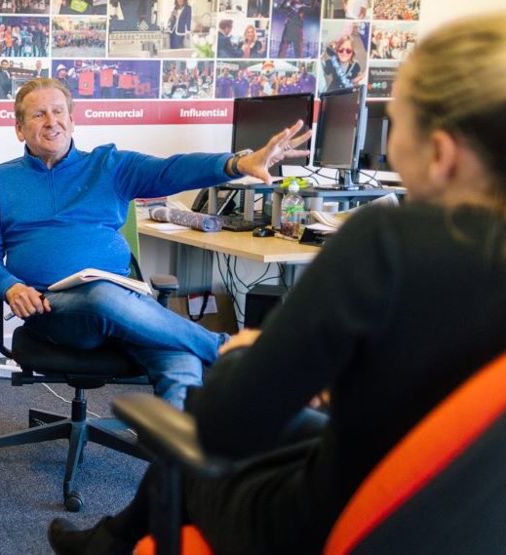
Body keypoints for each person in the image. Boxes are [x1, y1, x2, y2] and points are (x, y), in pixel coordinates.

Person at [48, 11, 506, 554]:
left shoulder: (389, 242)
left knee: (191, 455)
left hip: (330, 518)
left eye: (394, 124)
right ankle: (109, 541)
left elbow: (223, 428)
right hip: (446, 515)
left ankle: (111, 542)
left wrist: (245, 356)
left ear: (441, 153)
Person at [0, 77, 312, 410]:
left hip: (126, 300)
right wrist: (11, 287)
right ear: (19, 128)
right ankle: (229, 349)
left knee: (180, 360)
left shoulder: (109, 165)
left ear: (73, 120)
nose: (52, 122)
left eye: (59, 112)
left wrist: (237, 164)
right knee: (103, 295)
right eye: (38, 114)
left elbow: (171, 170)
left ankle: (172, 454)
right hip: (54, 309)